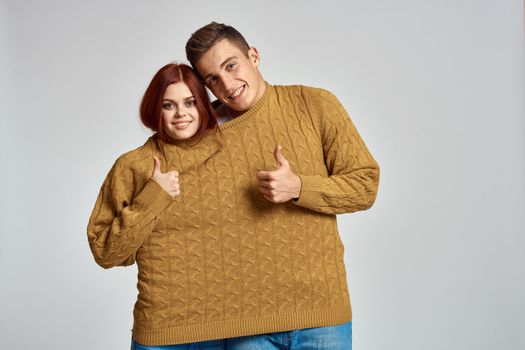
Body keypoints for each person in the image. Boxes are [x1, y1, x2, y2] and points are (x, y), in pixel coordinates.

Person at [184, 22, 380, 349]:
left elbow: (366, 184)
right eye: (212, 79)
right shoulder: (203, 135)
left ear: (254, 56)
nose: (227, 84)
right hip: (243, 320)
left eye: (231, 66)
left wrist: (299, 188)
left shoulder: (315, 104)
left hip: (320, 312)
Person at [87, 63, 225, 349]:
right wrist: (153, 198)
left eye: (190, 102)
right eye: (168, 105)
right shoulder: (133, 165)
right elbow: (106, 252)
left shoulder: (227, 154)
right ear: (155, 109)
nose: (181, 114)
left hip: (223, 330)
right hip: (161, 332)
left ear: (203, 104)